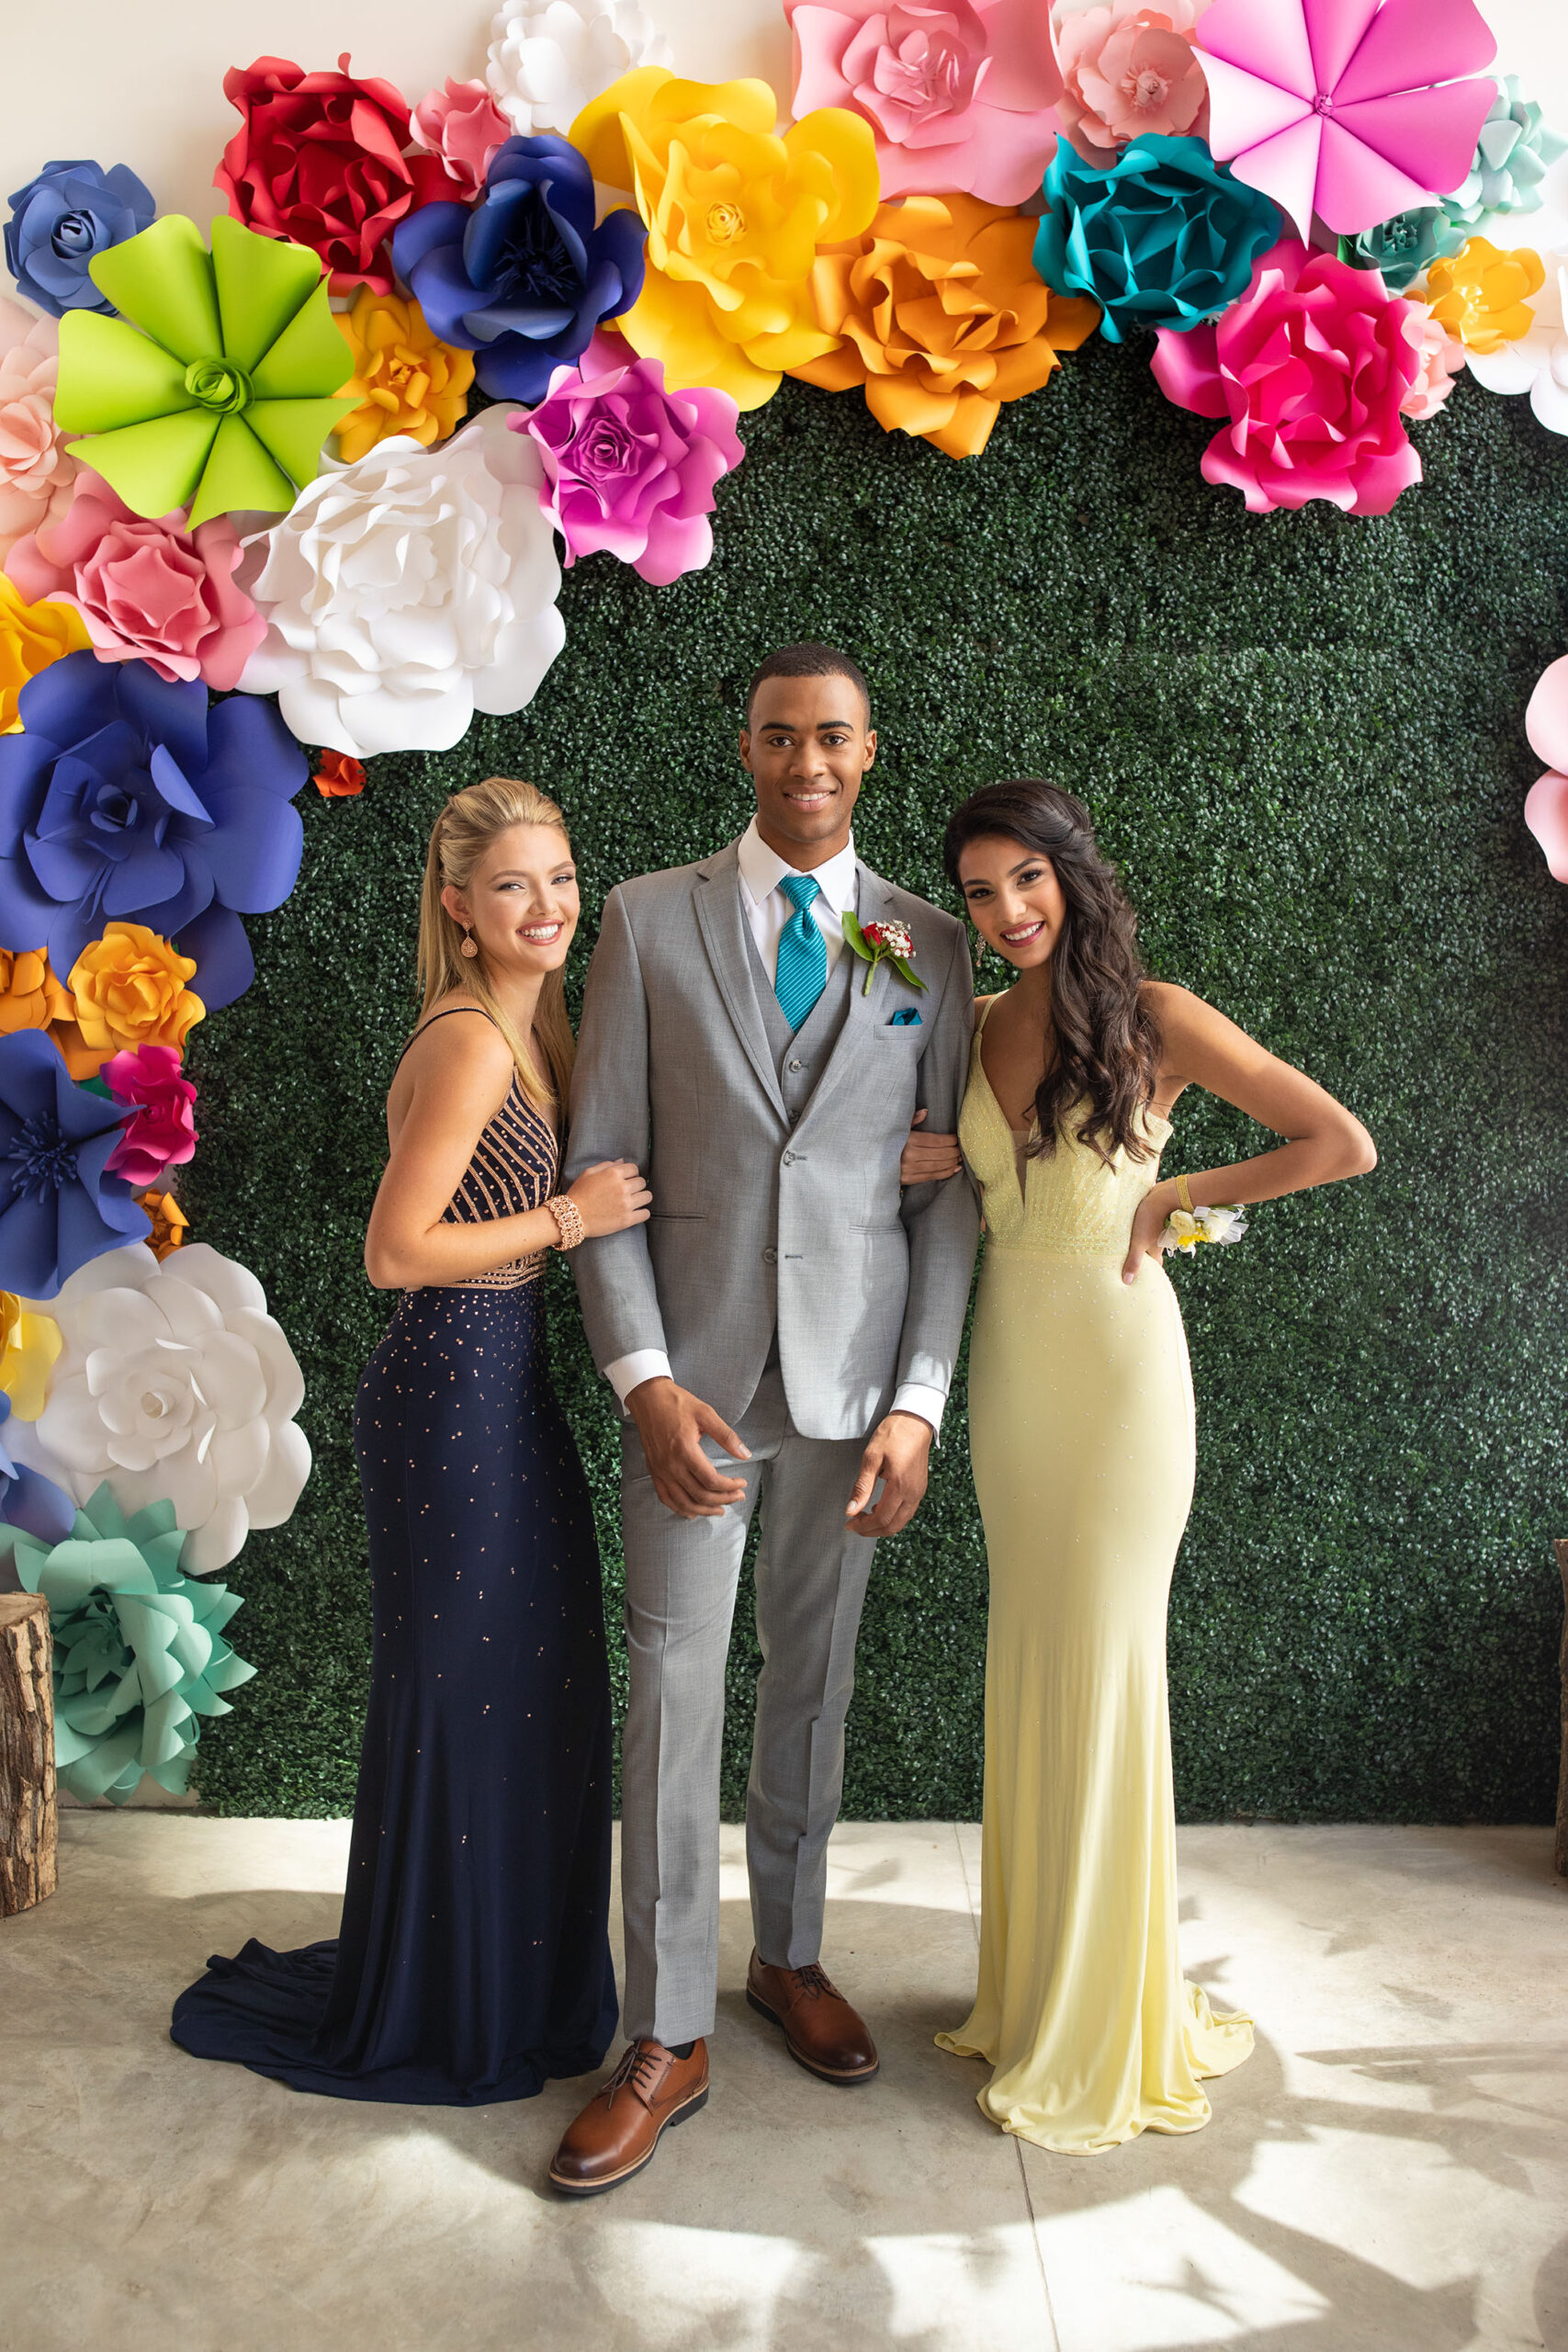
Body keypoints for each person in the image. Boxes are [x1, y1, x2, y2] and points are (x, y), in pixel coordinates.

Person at [547, 644, 981, 2195]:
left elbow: (950, 1197)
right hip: (698, 1394)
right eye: (783, 736)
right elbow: (598, 1176)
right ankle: (666, 2032)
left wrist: (920, 1403)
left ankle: (786, 1959)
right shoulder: (646, 921)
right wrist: (645, 1380)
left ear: (871, 753)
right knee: (672, 1689)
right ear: (747, 747)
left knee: (815, 1677)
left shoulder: (926, 943)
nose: (810, 761)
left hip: (855, 1395)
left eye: (837, 738)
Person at [909, 778, 1376, 2155]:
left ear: (1071, 872)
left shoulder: (1155, 1015)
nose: (1006, 914)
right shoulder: (979, 1022)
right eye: (982, 893)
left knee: (1107, 1669)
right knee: (1033, 1658)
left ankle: (1109, 2015)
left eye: (1025, 882)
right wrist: (946, 1162)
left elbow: (1337, 1142)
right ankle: (1039, 1989)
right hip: (1014, 1373)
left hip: (1119, 1382)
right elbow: (998, 1194)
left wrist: (1179, 1193)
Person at [171, 778, 649, 2104]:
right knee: (461, 1690)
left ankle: (508, 1976)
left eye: (559, 878)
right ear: (458, 905)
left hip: (503, 1383)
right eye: (514, 886)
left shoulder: (535, 1013)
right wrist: (572, 1219)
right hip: (446, 1385)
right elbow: (396, 1251)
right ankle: (446, 1998)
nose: (547, 906)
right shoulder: (473, 1043)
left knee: (533, 1680)